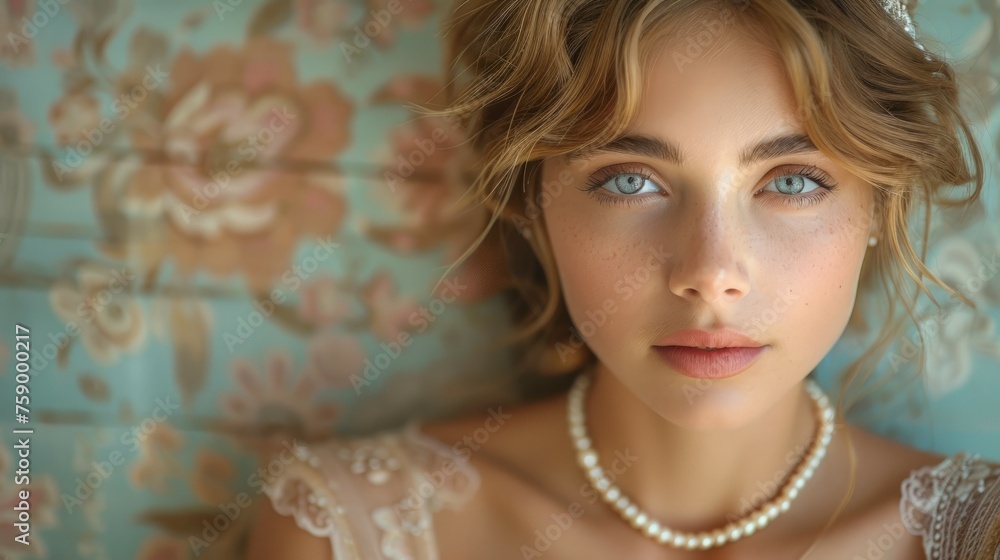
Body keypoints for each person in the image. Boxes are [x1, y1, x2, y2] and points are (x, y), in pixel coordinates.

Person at [244, 0, 1000, 558]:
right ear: (532, 207)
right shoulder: (343, 531)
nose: (710, 275)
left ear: (880, 206)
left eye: (794, 181)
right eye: (630, 181)